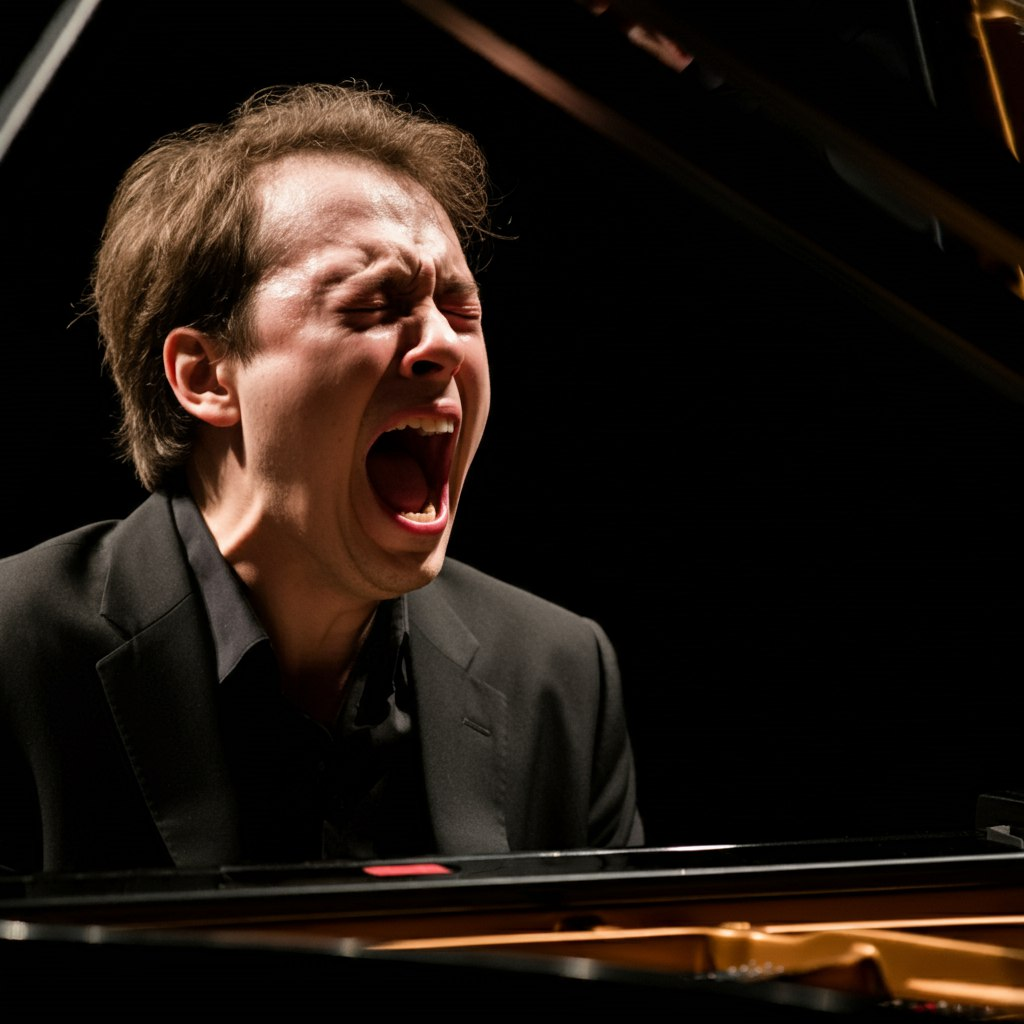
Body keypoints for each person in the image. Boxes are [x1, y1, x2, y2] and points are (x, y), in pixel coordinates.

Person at [0, 83, 642, 875]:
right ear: (206, 375)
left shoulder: (559, 674)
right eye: (375, 302)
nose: (443, 344)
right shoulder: (15, 650)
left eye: (460, 308)